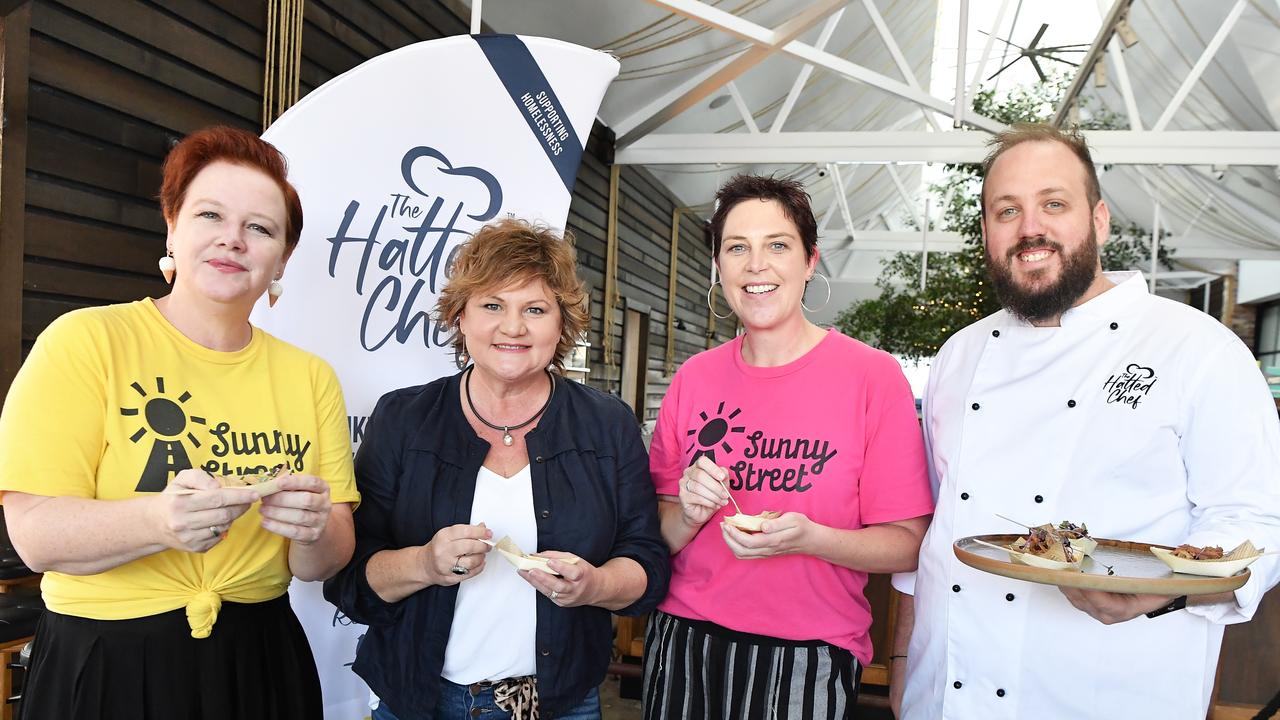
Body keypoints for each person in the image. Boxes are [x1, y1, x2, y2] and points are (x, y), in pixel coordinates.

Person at [891, 123, 1280, 719]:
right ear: (988, 231)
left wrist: (1163, 593)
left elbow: (1257, 519)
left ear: (1098, 220)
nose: (1030, 229)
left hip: (1110, 692)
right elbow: (933, 531)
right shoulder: (960, 354)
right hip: (946, 692)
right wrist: (901, 665)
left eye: (1053, 204)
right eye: (1007, 211)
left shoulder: (1196, 347)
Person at [0, 126, 359, 719]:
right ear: (172, 228)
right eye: (210, 215)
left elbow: (323, 560)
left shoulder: (309, 377)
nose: (232, 240)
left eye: (260, 228)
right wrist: (158, 520)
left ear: (281, 260)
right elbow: (34, 537)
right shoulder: (87, 341)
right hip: (106, 662)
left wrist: (314, 527)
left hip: (260, 660)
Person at [324, 219, 669, 720]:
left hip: (560, 704)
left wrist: (593, 585)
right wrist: (424, 564)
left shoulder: (606, 423)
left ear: (561, 325)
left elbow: (648, 562)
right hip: (417, 700)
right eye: (492, 305)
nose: (513, 327)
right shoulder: (404, 418)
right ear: (460, 317)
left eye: (535, 309)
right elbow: (348, 577)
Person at [643, 175, 934, 720]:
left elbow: (908, 545)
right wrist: (688, 512)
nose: (757, 265)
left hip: (810, 654)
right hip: (684, 640)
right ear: (719, 266)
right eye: (737, 248)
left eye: (777, 245)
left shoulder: (871, 377)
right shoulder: (694, 378)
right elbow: (659, 533)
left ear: (809, 261)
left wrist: (811, 538)